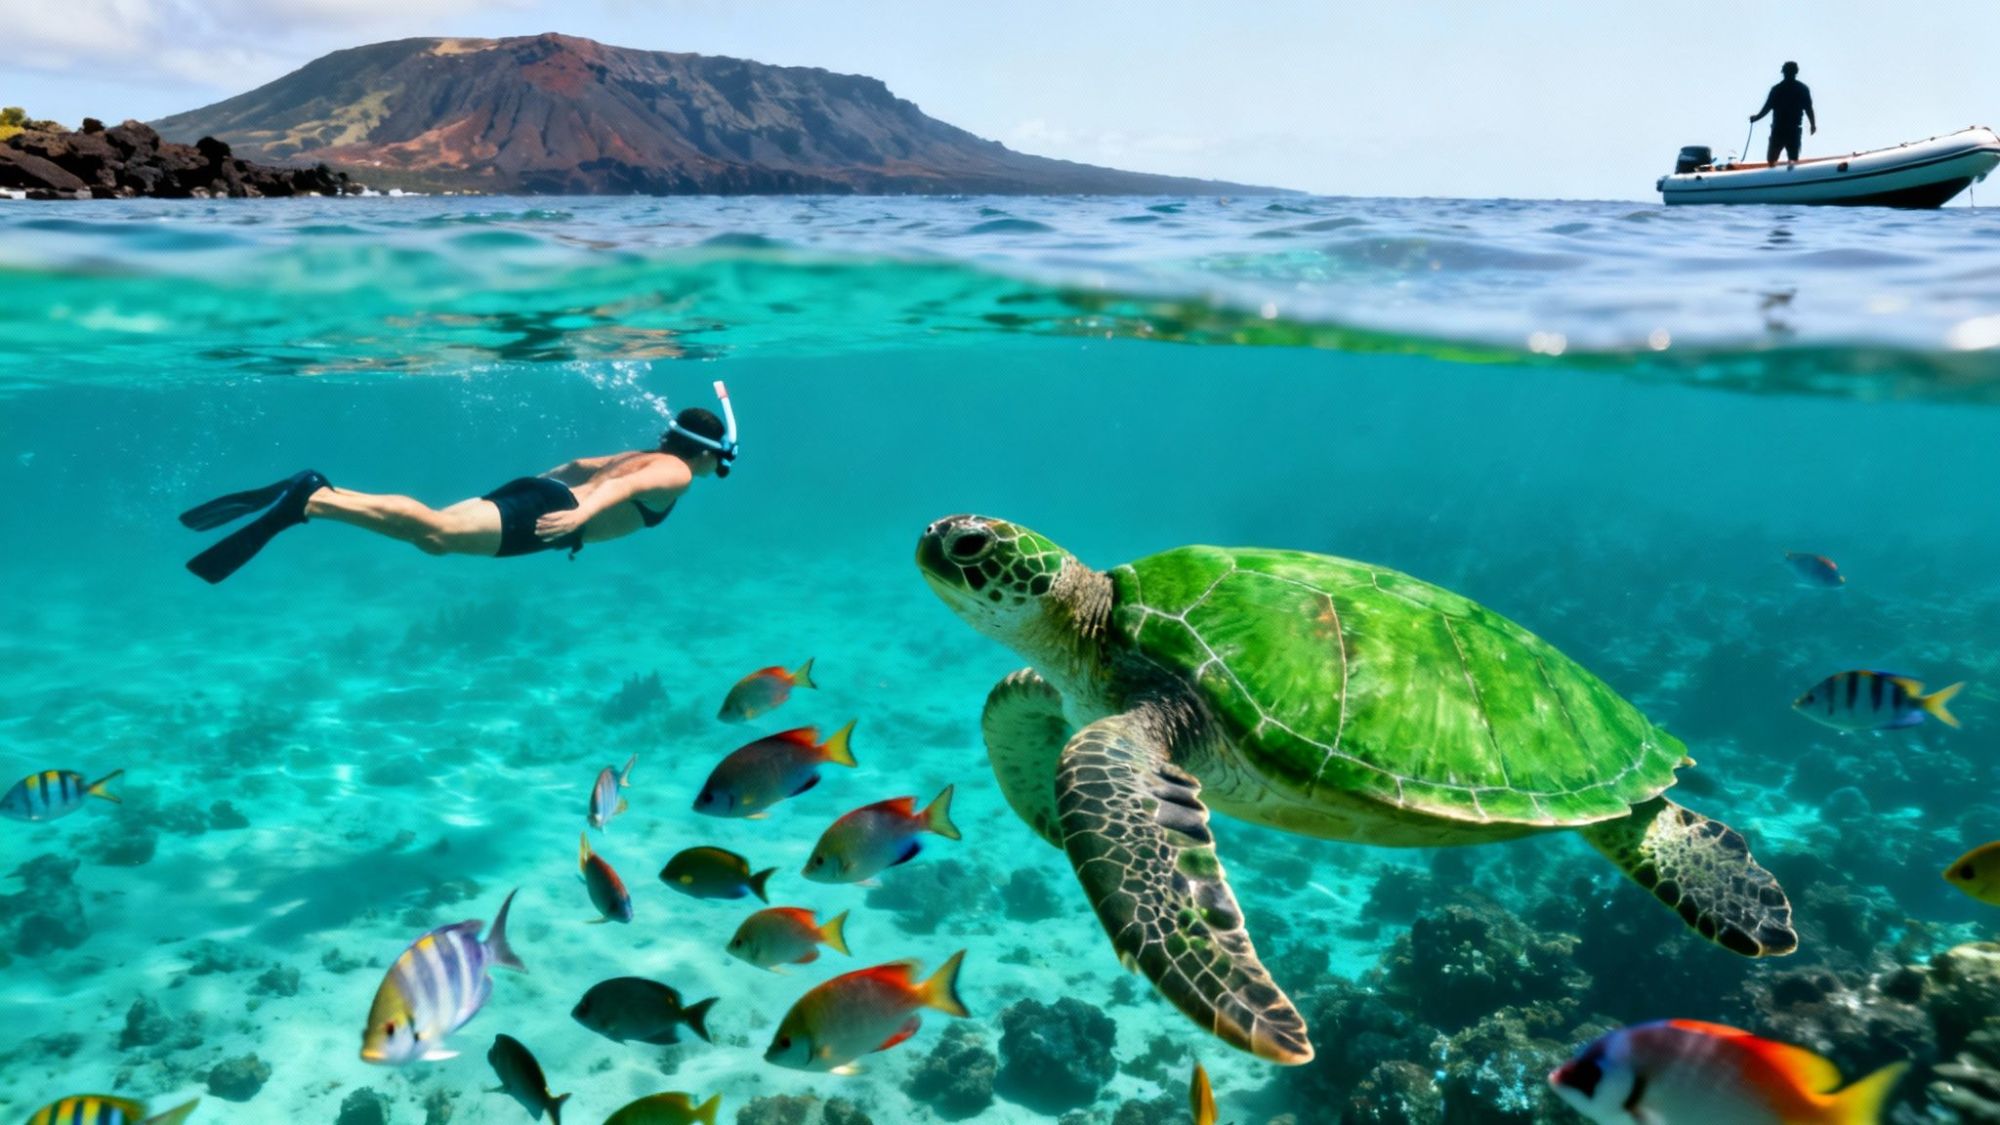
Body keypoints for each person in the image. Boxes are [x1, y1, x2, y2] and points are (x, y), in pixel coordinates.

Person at [178, 382, 739, 584]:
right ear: (712, 454)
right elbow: (614, 490)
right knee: (437, 533)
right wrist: (580, 515)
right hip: (553, 517)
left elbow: (579, 464)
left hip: (541, 494)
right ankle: (313, 500)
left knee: (432, 537)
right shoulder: (676, 471)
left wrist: (536, 491)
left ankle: (321, 493)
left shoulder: (639, 454)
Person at [1750, 61, 1816, 165]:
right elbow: (1809, 109)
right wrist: (1813, 125)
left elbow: (1767, 108)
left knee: (1780, 161)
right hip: (1785, 130)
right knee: (1783, 160)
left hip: (1785, 130)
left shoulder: (1778, 89)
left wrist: (1813, 124)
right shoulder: (1800, 89)